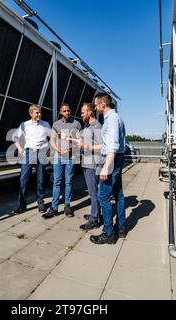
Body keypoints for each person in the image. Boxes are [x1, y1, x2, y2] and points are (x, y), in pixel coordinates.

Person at [90, 93, 127, 245]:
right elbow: (107, 144)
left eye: (96, 105)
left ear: (102, 105)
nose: (95, 107)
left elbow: (112, 146)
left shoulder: (111, 119)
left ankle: (109, 233)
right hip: (116, 158)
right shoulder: (115, 118)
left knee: (103, 196)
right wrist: (89, 147)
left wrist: (106, 167)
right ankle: (121, 228)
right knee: (118, 194)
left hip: (113, 159)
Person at [43, 104, 82, 219]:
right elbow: (52, 141)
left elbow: (79, 141)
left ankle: (67, 206)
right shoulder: (56, 124)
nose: (67, 112)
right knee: (57, 182)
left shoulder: (76, 124)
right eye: (64, 111)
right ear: (61, 112)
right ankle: (54, 208)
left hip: (70, 156)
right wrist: (57, 149)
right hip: (58, 157)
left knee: (69, 181)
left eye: (68, 110)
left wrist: (69, 139)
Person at [12, 105, 51, 215]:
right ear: (31, 114)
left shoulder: (45, 124)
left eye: (40, 112)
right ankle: (22, 205)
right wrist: (19, 148)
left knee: (41, 178)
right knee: (23, 179)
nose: (39, 114)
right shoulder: (24, 125)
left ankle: (40, 202)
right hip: (29, 152)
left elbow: (53, 137)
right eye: (37, 113)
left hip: (42, 153)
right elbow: (15, 137)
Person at [78, 103, 103, 230]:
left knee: (94, 192)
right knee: (93, 192)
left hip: (93, 164)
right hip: (86, 162)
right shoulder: (87, 126)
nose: (81, 114)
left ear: (90, 112)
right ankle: (96, 214)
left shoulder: (97, 126)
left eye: (83, 112)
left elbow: (102, 146)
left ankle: (94, 219)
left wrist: (86, 147)